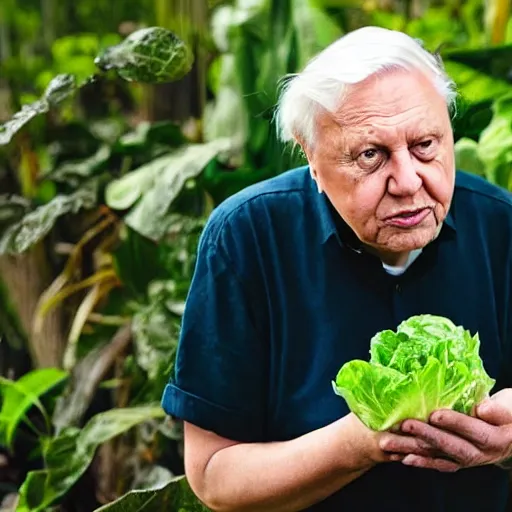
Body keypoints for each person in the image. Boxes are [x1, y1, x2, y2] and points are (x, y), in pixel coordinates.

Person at [161, 26, 512, 511]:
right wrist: (359, 442)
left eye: (426, 144)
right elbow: (214, 477)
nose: (409, 181)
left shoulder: (502, 225)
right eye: (371, 155)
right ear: (310, 157)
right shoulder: (246, 237)